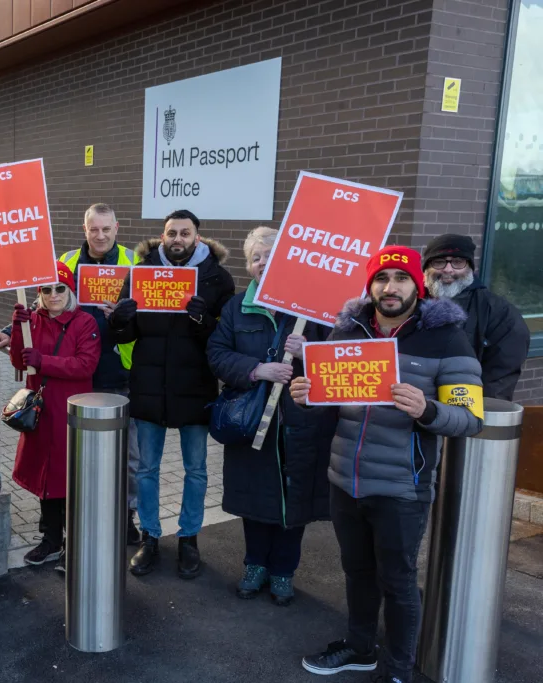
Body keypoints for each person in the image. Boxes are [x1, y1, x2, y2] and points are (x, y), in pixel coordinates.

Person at [291, 246, 484, 683]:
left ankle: (399, 670)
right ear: (370, 285)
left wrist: (427, 409)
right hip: (346, 478)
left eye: (400, 278)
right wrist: (305, 399)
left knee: (397, 581)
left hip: (401, 485)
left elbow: (470, 419)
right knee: (357, 571)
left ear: (418, 284)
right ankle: (360, 647)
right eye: (382, 278)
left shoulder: (447, 337)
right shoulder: (348, 330)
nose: (390, 287)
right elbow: (325, 406)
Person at [0, 203, 143, 543]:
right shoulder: (68, 262)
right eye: (93, 229)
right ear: (84, 229)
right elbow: (38, 308)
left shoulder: (135, 264)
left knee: (126, 456)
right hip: (65, 387)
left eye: (106, 228)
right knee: (68, 459)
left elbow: (150, 314)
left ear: (117, 228)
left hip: (118, 371)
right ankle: (59, 533)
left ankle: (125, 518)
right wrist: (10, 328)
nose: (100, 235)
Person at [207, 227, 336, 606]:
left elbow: (343, 355)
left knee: (293, 500)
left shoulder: (313, 308)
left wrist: (310, 349)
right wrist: (257, 369)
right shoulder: (236, 307)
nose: (262, 263)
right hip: (253, 419)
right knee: (255, 496)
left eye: (269, 255)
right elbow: (217, 353)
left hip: (301, 420)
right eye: (255, 257)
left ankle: (283, 570)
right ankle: (255, 565)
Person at [109, 209, 235, 579]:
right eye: (171, 233)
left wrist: (203, 321)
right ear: (162, 237)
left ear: (197, 237)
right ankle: (150, 537)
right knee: (147, 468)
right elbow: (125, 333)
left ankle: (189, 538)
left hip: (195, 388)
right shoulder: (140, 273)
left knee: (195, 470)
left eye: (185, 233)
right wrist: (119, 320)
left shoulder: (217, 279)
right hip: (149, 387)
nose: (177, 239)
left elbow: (222, 341)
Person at [10, 261, 101, 567]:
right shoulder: (32, 320)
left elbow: (85, 365)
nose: (53, 295)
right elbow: (20, 361)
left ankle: (74, 543)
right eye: (46, 289)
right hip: (41, 413)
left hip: (71, 412)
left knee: (71, 479)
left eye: (59, 288)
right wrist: (17, 329)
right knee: (46, 477)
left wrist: (44, 361)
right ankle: (51, 539)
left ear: (69, 290)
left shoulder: (85, 322)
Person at [421, 233, 529, 400]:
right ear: (426, 268)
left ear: (470, 268)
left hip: (463, 411)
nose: (448, 269)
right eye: (439, 261)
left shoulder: (501, 314)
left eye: (458, 262)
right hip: (407, 412)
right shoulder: (410, 304)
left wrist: (474, 419)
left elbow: (497, 384)